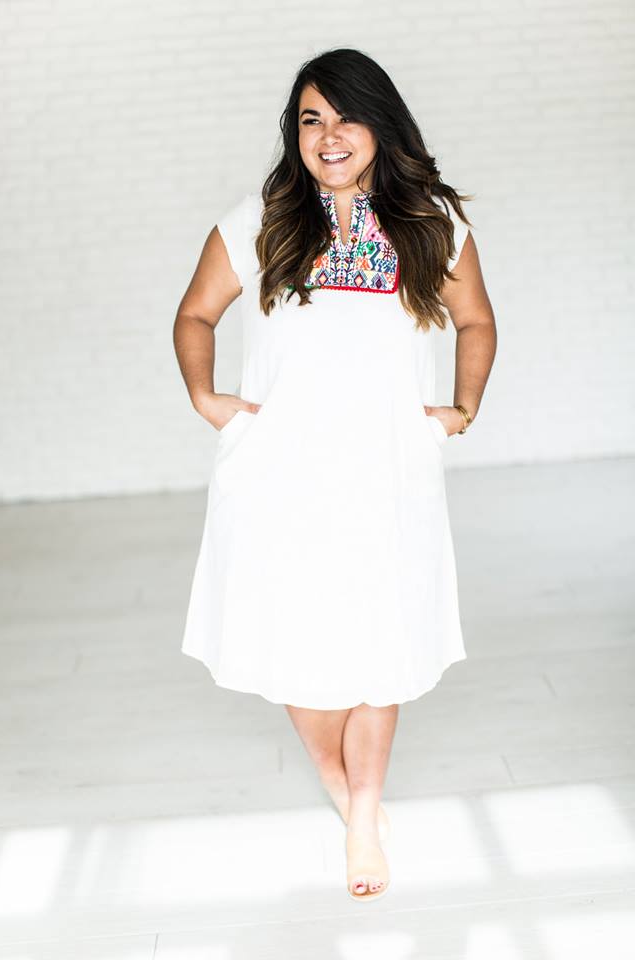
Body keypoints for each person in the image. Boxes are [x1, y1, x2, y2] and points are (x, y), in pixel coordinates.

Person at [173, 48, 497, 902]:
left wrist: (460, 410)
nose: (329, 135)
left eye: (346, 116)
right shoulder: (261, 220)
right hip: (279, 471)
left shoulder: (429, 222)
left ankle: (362, 816)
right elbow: (196, 312)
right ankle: (342, 784)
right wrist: (209, 399)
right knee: (295, 644)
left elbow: (475, 321)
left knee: (382, 643)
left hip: (388, 468)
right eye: (311, 119)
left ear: (380, 125)